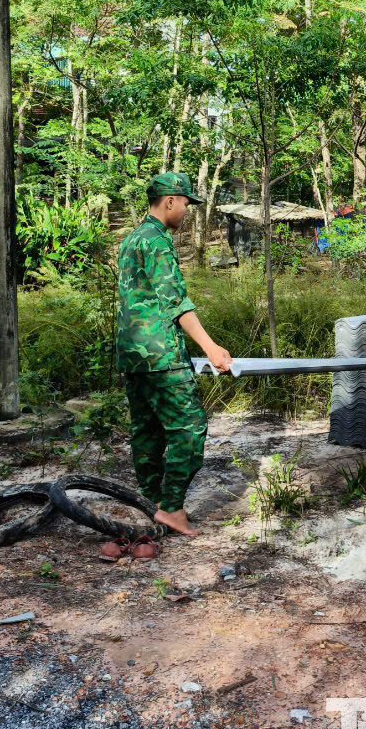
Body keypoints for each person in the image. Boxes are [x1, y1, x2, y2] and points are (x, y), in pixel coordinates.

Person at [116, 172, 231, 537]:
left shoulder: (132, 239)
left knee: (147, 432)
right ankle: (171, 508)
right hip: (161, 355)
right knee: (190, 428)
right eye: (185, 203)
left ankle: (151, 504)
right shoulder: (159, 243)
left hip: (132, 355)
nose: (186, 211)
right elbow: (176, 304)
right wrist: (211, 348)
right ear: (169, 201)